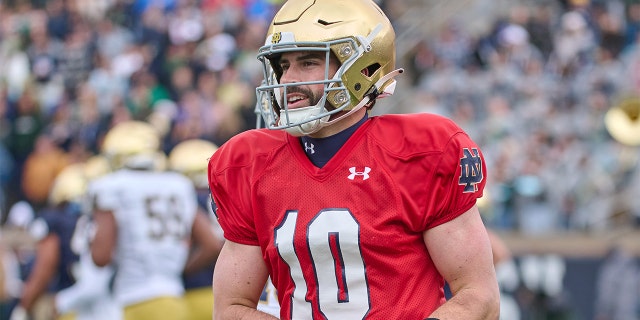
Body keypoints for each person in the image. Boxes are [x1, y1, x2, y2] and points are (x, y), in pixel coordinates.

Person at [207, 0, 500, 319]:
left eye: (307, 62)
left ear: (363, 67)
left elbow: (479, 296)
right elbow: (231, 308)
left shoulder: (420, 150)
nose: (288, 79)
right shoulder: (248, 163)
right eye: (282, 65)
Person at [89, 121, 220, 320]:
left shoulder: (111, 187)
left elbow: (101, 257)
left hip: (136, 300)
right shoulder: (177, 185)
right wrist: (174, 270)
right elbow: (211, 243)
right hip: (174, 299)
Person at [168, 139, 224, 320]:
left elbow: (210, 245)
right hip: (228, 289)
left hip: (196, 290)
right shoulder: (225, 196)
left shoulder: (189, 199)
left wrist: (179, 272)